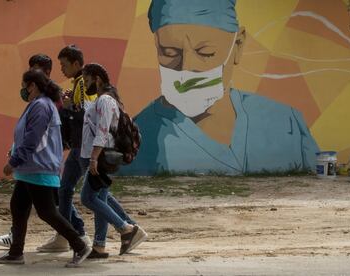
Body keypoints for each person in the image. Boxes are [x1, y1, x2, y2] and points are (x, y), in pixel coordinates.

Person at [119, 0, 319, 176]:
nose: (187, 67)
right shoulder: (137, 139)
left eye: (206, 53)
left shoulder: (287, 123)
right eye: (169, 52)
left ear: (238, 46)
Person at [0, 69, 91, 267]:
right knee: (18, 207)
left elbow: (33, 139)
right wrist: (15, 153)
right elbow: (26, 136)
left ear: (33, 86)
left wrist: (13, 162)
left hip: (39, 168)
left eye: (24, 86)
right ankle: (15, 253)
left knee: (47, 212)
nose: (22, 90)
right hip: (30, 169)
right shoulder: (37, 105)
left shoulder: (40, 106)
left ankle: (79, 245)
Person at [0, 54, 67, 248]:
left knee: (50, 209)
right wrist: (16, 149)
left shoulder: (46, 102)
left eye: (34, 71)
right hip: (33, 164)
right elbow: (28, 132)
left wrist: (15, 159)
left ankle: (78, 239)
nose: (25, 87)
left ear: (45, 73)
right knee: (24, 205)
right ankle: (16, 245)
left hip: (40, 163)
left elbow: (37, 137)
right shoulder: (39, 100)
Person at [80, 63, 147, 256]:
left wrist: (93, 158)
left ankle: (126, 228)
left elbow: (102, 131)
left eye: (86, 80)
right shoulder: (104, 100)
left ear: (97, 79)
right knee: (100, 198)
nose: (85, 84)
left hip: (101, 156)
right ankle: (99, 245)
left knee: (87, 198)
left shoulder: (105, 100)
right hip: (100, 155)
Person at [37, 45, 97, 252]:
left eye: (64, 65)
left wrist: (70, 105)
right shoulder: (79, 83)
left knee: (94, 194)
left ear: (76, 64)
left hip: (84, 145)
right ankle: (65, 235)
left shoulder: (82, 84)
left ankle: (124, 227)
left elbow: (86, 114)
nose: (61, 69)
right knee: (65, 190)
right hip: (80, 145)